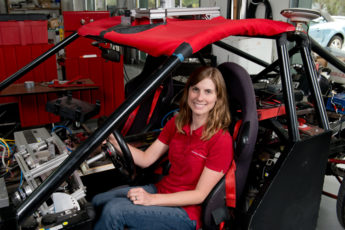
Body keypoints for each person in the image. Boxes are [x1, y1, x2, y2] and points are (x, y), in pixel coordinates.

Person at [92, 66, 234, 230]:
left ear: (218, 98)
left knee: (114, 211)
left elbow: (199, 195)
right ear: (188, 91)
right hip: (162, 190)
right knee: (99, 201)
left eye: (208, 91)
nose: (200, 97)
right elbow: (146, 159)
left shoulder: (221, 140)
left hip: (186, 211)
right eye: (195, 89)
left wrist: (151, 200)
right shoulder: (177, 123)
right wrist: (116, 143)